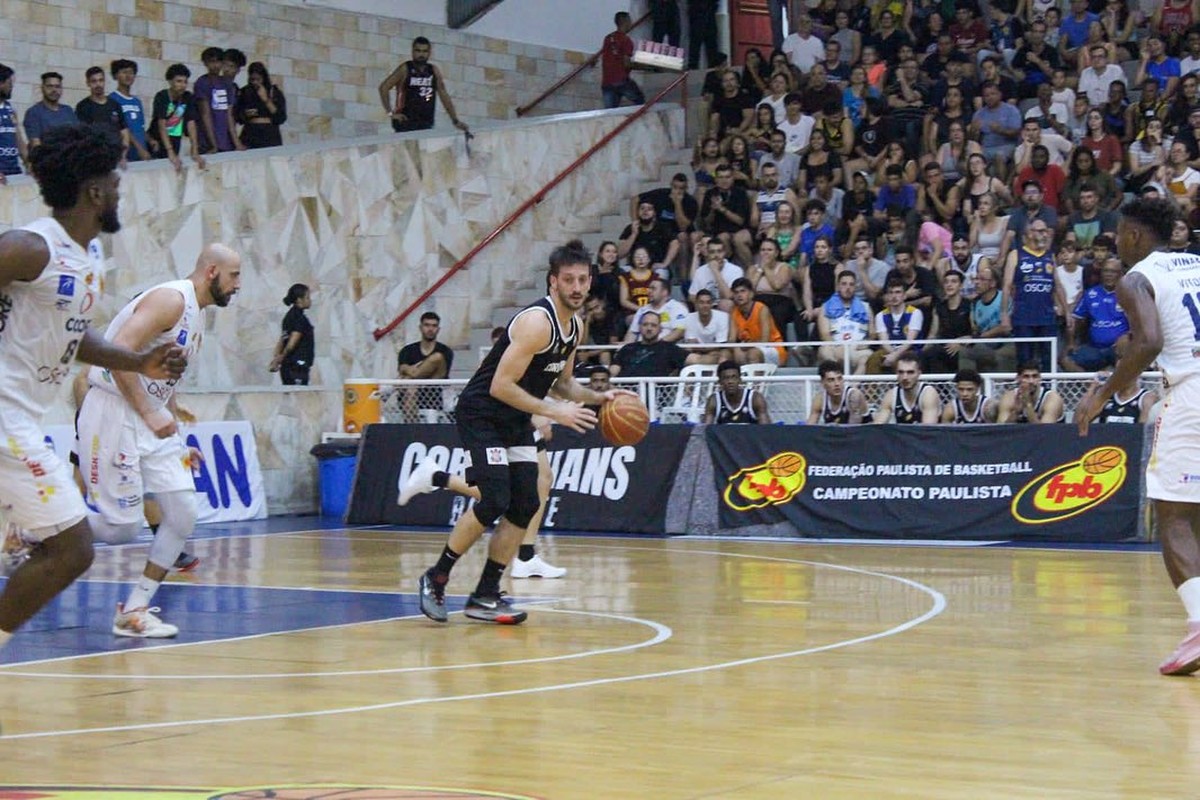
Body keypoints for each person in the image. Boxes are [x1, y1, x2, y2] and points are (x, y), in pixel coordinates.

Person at [0, 124, 186, 651]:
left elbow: (73, 337)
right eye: (115, 179)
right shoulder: (28, 247)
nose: (120, 188)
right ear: (94, 191)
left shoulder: (87, 257)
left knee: (32, 549)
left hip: (21, 418)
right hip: (5, 419)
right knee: (73, 549)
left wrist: (138, 361)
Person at [415, 240, 623, 625]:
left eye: (582, 280)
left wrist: (599, 397)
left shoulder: (575, 326)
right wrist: (551, 411)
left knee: (526, 502)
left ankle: (485, 594)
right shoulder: (536, 323)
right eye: (568, 280)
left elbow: (563, 384)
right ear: (553, 283)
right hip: (483, 414)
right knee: (495, 497)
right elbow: (500, 386)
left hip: (513, 419)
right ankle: (436, 577)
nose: (576, 287)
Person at [77, 244, 241, 638]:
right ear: (212, 271)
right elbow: (119, 354)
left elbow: (159, 379)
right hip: (113, 410)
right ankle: (37, 527)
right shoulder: (171, 299)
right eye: (235, 276)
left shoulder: (196, 316)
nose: (238, 286)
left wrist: (174, 426)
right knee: (121, 528)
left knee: (183, 511)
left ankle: (134, 610)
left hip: (148, 418)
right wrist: (151, 413)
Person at [1074, 197, 1200, 674]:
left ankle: (1198, 624)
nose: (1117, 245)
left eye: (1120, 234)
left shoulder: (1137, 278)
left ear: (1134, 235)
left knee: (1173, 515)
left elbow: (1148, 342)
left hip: (1189, 393)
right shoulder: (1196, 263)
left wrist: (1104, 392)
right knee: (1196, 513)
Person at [400, 413, 567, 580]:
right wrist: (540, 411)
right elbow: (504, 387)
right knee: (507, 493)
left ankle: (526, 556)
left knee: (542, 478)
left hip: (516, 413)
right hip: (496, 413)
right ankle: (436, 477)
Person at [1002, 219, 1064, 373]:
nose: (1045, 235)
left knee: (1048, 358)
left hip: (1047, 315)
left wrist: (1067, 311)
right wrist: (1004, 313)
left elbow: (1057, 284)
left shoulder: (1050, 256)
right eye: (1040, 231)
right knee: (1024, 359)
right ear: (1029, 234)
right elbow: (1007, 285)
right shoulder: (1016, 255)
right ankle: (1024, 392)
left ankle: (1049, 391)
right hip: (1023, 316)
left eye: (1045, 231)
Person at [379, 37, 470, 133]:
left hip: (425, 122)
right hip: (405, 121)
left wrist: (455, 120)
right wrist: (390, 113)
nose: (421, 54)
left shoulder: (433, 70)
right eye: (418, 51)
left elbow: (444, 96)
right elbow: (384, 88)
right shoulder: (405, 69)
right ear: (412, 52)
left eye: (424, 51)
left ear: (429, 53)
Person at [1062, 258, 1129, 372]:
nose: (1109, 275)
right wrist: (1071, 342)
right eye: (1106, 271)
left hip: (1118, 349)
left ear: (1121, 274)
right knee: (1066, 360)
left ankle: (1117, 387)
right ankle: (1092, 387)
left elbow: (1140, 324)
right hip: (1095, 348)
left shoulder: (1129, 294)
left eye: (1113, 272)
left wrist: (1127, 336)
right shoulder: (1091, 293)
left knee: (1125, 357)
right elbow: (1076, 319)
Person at [397, 311, 454, 422]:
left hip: (433, 396)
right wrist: (410, 371)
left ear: (438, 329)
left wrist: (413, 373)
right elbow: (402, 368)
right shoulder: (407, 350)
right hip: (411, 395)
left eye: (434, 326)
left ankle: (413, 377)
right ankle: (412, 430)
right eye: (427, 325)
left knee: (437, 357)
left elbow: (441, 375)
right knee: (410, 388)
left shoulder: (445, 351)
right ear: (420, 327)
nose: (430, 329)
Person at [150, 64, 207, 172]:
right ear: (170, 81)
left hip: (175, 139)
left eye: (185, 82)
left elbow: (191, 123)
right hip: (157, 141)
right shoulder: (162, 96)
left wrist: (194, 150)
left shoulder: (187, 97)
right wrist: (169, 151)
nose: (183, 85)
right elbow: (161, 124)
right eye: (179, 81)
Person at [817, 269, 873, 373]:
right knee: (824, 350)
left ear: (855, 287)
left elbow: (873, 333)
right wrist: (837, 346)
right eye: (844, 284)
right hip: (836, 347)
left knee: (867, 357)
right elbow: (824, 334)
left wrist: (865, 344)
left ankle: (850, 387)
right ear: (838, 286)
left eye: (851, 284)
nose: (848, 288)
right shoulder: (825, 307)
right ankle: (836, 382)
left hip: (857, 349)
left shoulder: (865, 307)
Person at [74, 66, 131, 163]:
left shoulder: (115, 105)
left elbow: (124, 132)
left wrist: (123, 156)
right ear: (88, 83)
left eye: (101, 80)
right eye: (94, 81)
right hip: (94, 160)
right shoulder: (82, 107)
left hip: (116, 158)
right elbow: (81, 137)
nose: (98, 84)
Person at [194, 47, 243, 154]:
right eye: (212, 62)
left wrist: (236, 143)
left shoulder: (228, 84)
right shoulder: (202, 82)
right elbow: (205, 114)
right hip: (207, 142)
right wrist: (213, 145)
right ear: (205, 63)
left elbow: (229, 115)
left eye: (219, 61)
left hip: (226, 142)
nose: (215, 65)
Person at [609, 314, 689, 378]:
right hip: (627, 394)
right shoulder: (627, 348)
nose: (649, 328)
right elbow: (613, 372)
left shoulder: (670, 349)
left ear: (660, 329)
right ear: (639, 327)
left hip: (658, 395)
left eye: (653, 325)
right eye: (645, 324)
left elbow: (696, 359)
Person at [729, 277, 786, 366]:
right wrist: (737, 347)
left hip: (773, 348)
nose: (739, 295)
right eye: (736, 292)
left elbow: (765, 340)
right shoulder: (734, 312)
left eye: (743, 291)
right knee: (732, 353)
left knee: (753, 354)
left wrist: (746, 345)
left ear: (751, 294)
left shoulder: (761, 309)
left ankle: (755, 380)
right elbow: (731, 340)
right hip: (748, 348)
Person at [873, 353, 942, 424]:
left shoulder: (928, 394)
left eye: (910, 372)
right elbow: (877, 427)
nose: (905, 377)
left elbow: (928, 430)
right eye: (901, 372)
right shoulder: (891, 395)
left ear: (919, 373)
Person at [599, 12, 646, 109]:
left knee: (610, 113)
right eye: (630, 21)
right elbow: (627, 64)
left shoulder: (608, 38)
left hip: (607, 82)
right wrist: (645, 66)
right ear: (626, 22)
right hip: (621, 80)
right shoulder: (626, 40)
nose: (631, 23)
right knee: (641, 102)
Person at [270, 283, 314, 385]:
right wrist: (281, 357)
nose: (310, 300)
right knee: (299, 397)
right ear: (299, 300)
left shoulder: (288, 317)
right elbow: (292, 342)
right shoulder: (299, 318)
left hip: (288, 368)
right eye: (307, 297)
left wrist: (277, 358)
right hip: (297, 367)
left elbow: (282, 339)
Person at [108, 59, 153, 162]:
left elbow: (140, 127)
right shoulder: (112, 99)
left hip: (142, 155)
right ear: (115, 76)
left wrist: (150, 140)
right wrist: (139, 148)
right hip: (125, 156)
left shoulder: (137, 101)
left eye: (131, 73)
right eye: (124, 72)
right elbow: (122, 128)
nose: (128, 76)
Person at [238, 62, 288, 149]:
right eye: (252, 79)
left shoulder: (274, 92)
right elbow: (238, 116)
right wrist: (248, 113)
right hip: (250, 133)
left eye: (258, 79)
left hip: (269, 134)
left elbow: (281, 117)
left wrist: (266, 100)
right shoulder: (244, 92)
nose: (255, 82)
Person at [703, 359, 770, 423]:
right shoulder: (714, 401)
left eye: (734, 377)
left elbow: (766, 430)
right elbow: (704, 430)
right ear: (720, 382)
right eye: (726, 378)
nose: (730, 381)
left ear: (740, 380)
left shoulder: (755, 398)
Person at [23, 72, 77, 149]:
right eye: (49, 86)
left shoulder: (68, 111)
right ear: (42, 88)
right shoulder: (33, 112)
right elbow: (36, 145)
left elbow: (78, 138)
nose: (54, 90)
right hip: (46, 159)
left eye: (57, 86)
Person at [997, 361, 1065, 423]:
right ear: (1018, 378)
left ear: (1040, 378)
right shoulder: (1009, 397)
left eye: (1035, 376)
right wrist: (1016, 412)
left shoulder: (1052, 399)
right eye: (1026, 377)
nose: (1031, 381)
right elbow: (1002, 429)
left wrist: (1028, 405)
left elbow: (1044, 432)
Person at [807, 359, 869, 424]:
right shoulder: (820, 399)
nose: (837, 384)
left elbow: (853, 429)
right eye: (831, 380)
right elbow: (810, 427)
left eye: (839, 379)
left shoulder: (854, 395)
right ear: (822, 382)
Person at [682, 288, 730, 365]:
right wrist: (706, 352)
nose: (705, 305)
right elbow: (691, 344)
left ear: (712, 304)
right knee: (687, 351)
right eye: (701, 302)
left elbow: (721, 344)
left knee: (725, 353)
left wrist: (707, 351)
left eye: (708, 302)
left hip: (717, 351)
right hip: (697, 352)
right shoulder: (689, 318)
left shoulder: (723, 317)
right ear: (696, 304)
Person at [0, 64, 28, 184]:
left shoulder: (10, 109)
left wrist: (29, 164)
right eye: (9, 83)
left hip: (14, 172)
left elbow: (19, 142)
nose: (11, 86)